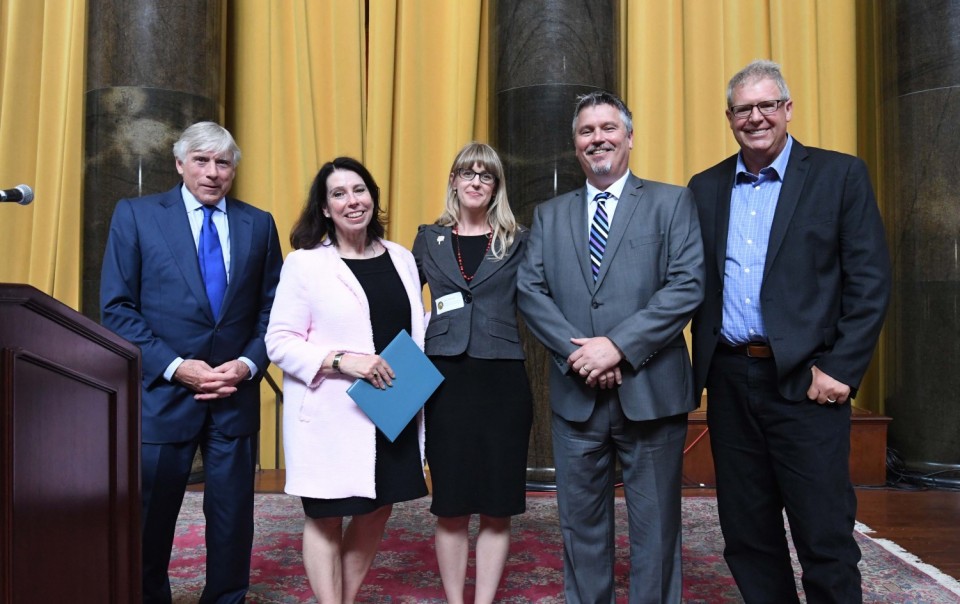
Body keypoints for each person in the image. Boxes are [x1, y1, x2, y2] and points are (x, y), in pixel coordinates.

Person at [687, 60, 891, 603]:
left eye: (766, 105)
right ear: (729, 118)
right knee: (747, 532)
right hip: (729, 379)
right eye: (743, 109)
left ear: (787, 109)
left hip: (809, 381)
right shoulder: (704, 188)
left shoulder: (838, 175)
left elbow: (870, 281)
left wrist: (841, 369)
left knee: (823, 530)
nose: (755, 117)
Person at [517, 90, 705, 603]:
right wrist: (581, 355)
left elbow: (686, 285)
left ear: (628, 136)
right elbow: (530, 292)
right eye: (586, 131)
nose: (598, 138)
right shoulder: (550, 214)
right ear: (575, 145)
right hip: (576, 397)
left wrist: (617, 347)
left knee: (657, 527)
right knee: (580, 527)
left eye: (608, 128)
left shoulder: (672, 202)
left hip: (651, 392)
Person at [100, 121, 284, 603]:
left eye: (223, 162)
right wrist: (176, 365)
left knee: (231, 520)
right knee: (150, 518)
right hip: (164, 393)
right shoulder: (137, 216)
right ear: (179, 164)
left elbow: (274, 310)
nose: (212, 172)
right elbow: (117, 307)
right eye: (201, 160)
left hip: (233, 392)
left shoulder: (258, 223)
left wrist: (247, 364)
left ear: (234, 170)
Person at [265, 157, 428, 603]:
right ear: (324, 207)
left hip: (392, 407)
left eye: (359, 190)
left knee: (379, 509)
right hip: (333, 416)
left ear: (373, 196)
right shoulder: (305, 265)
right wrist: (341, 360)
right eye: (339, 194)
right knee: (326, 516)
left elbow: (414, 329)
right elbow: (278, 342)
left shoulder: (402, 258)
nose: (352, 201)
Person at [412, 142, 533, 604]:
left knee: (498, 506)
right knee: (451, 504)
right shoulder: (428, 238)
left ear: (496, 185)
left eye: (486, 175)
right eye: (467, 173)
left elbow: (542, 300)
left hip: (503, 382)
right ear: (454, 181)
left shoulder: (519, 240)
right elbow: (397, 300)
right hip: (444, 382)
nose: (476, 182)